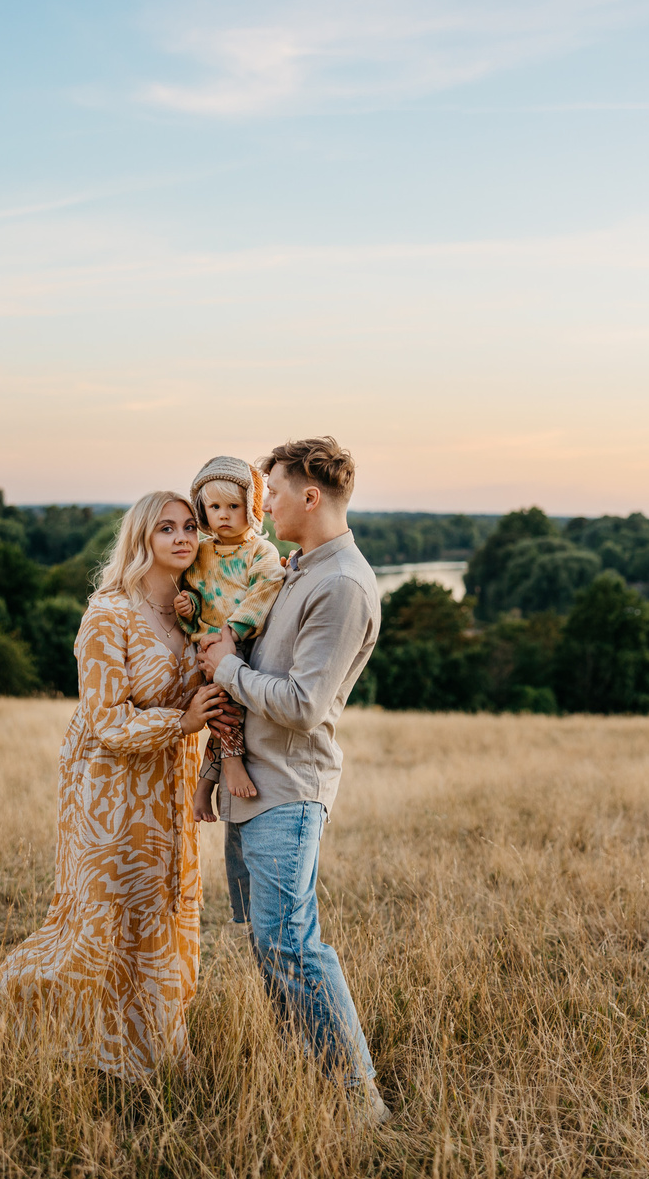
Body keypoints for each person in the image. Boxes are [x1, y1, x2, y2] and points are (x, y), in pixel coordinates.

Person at [0, 490, 234, 1081]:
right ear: (141, 538)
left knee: (158, 918)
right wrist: (182, 722)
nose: (183, 537)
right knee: (97, 923)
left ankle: (156, 1051)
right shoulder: (109, 613)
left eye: (191, 526)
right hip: (108, 790)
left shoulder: (192, 614)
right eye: (166, 528)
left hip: (167, 788)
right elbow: (104, 721)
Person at [190, 436, 388, 1124]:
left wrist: (225, 668)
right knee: (269, 943)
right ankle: (318, 1086)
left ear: (311, 495)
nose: (262, 504)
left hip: (288, 789)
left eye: (272, 492)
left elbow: (305, 704)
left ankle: (358, 1102)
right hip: (253, 783)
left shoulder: (342, 584)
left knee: (291, 945)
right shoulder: (295, 569)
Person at [172, 455, 288, 810]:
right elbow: (195, 590)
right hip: (206, 646)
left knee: (225, 709)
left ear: (251, 507)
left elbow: (264, 590)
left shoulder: (260, 551)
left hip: (241, 642)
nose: (223, 515)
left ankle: (209, 781)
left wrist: (232, 633)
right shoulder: (201, 553)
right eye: (215, 507)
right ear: (202, 510)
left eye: (233, 506)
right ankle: (226, 769)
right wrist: (189, 606)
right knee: (222, 710)